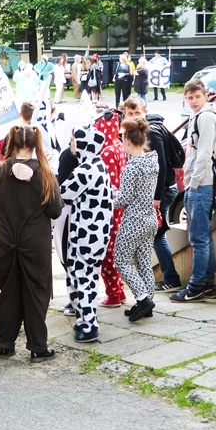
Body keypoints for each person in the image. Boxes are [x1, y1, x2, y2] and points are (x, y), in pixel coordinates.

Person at [0, 125, 63, 361]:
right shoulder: (45, 172)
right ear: (34, 143)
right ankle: (37, 347)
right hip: (35, 242)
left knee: (8, 291)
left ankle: (6, 343)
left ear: (12, 141)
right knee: (36, 293)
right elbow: (55, 210)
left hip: (7, 240)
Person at [122, 97, 183, 293]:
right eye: (130, 113)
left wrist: (156, 197)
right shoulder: (137, 131)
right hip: (156, 190)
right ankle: (160, 280)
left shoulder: (151, 132)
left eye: (137, 113)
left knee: (157, 234)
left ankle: (171, 278)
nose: (134, 116)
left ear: (145, 112)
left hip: (161, 190)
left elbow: (161, 165)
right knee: (154, 234)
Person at [171, 80, 216, 303]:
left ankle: (196, 286)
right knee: (203, 237)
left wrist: (192, 183)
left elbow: (204, 154)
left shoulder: (206, 117)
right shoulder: (200, 116)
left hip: (201, 184)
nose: (193, 101)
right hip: (199, 183)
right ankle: (207, 282)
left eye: (197, 97)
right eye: (190, 97)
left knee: (199, 238)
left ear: (205, 96)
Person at [60, 125, 113, 342]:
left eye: (74, 140)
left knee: (81, 278)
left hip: (84, 235)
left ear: (83, 143)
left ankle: (89, 325)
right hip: (97, 235)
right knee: (89, 279)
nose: (71, 144)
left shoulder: (84, 170)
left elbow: (62, 194)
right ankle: (85, 320)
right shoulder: (99, 165)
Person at [114, 117, 159, 321]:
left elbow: (123, 199)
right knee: (143, 263)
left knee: (121, 260)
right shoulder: (152, 161)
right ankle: (147, 303)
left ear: (128, 140)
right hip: (149, 219)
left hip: (134, 221)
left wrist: (107, 199)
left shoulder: (132, 168)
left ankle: (142, 299)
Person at [94, 111, 127, 307]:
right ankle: (119, 291)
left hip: (110, 208)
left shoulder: (106, 151)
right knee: (114, 250)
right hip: (119, 207)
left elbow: (110, 184)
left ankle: (113, 293)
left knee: (108, 252)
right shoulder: (118, 145)